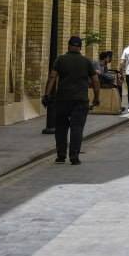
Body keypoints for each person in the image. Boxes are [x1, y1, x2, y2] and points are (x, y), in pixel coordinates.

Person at [43, 35, 100, 165]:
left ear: (68, 46)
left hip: (62, 99)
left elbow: (52, 77)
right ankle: (74, 156)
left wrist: (46, 94)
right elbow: (95, 80)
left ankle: (61, 156)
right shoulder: (86, 62)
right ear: (80, 48)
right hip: (80, 100)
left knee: (61, 128)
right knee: (77, 128)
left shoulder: (60, 60)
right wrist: (96, 97)